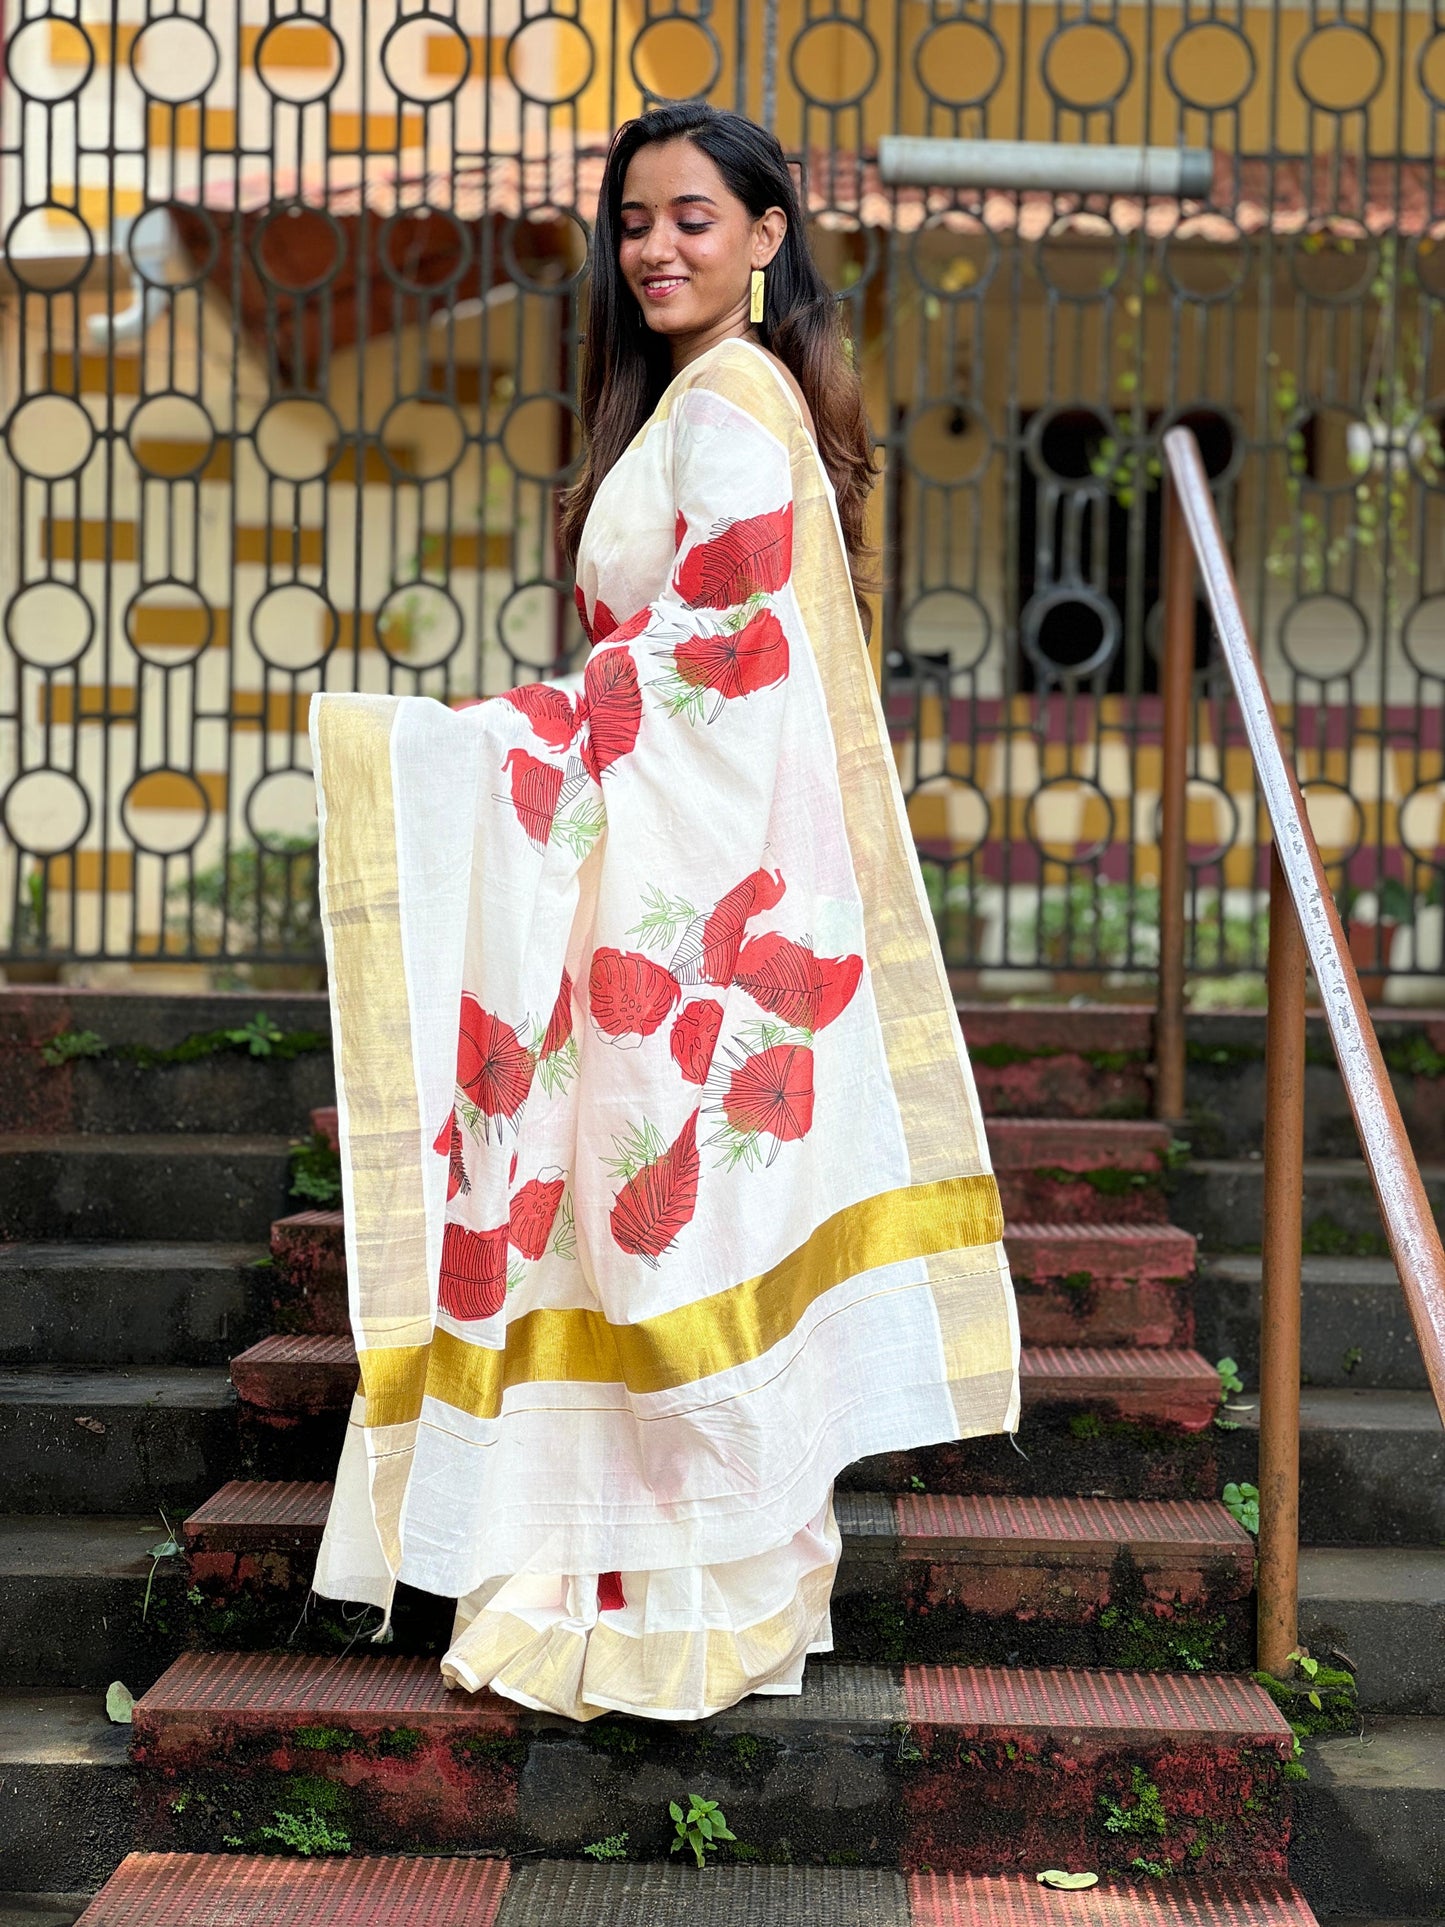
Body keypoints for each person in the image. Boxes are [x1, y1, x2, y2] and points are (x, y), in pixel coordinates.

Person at [308, 102, 1019, 1723]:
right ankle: (655, 1573)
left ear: (768, 234)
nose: (655, 246)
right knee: (640, 1218)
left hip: (680, 895)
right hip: (667, 878)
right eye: (633, 219)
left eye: (693, 216)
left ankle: (670, 1597)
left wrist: (498, 743)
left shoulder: (733, 402)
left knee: (652, 1216)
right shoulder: (703, 398)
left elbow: (720, 660)